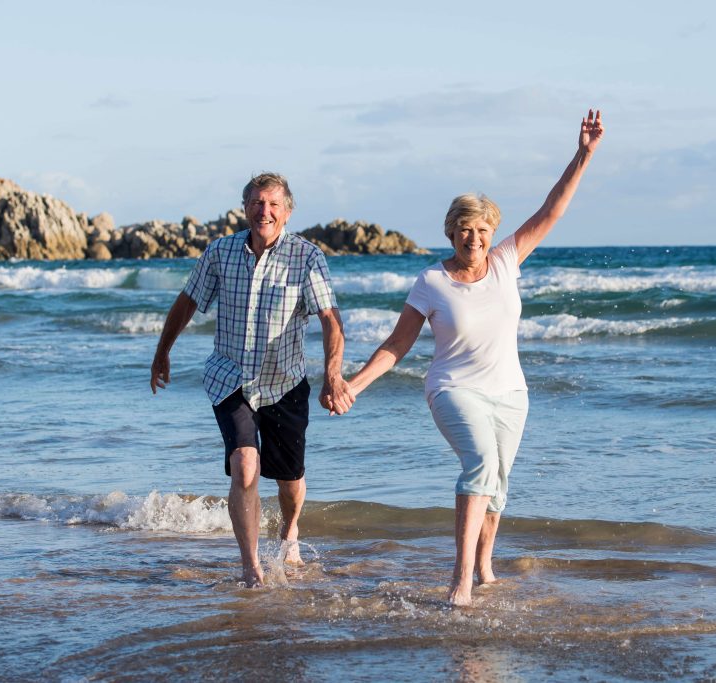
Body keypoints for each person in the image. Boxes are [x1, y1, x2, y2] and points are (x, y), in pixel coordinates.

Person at [347, 109, 604, 606]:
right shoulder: (432, 282)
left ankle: (485, 566)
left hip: (510, 393)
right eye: (466, 229)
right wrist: (354, 386)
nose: (476, 239)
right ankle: (460, 580)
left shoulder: (507, 261)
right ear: (451, 231)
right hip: (453, 389)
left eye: (483, 230)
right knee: (481, 464)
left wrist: (583, 154)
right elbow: (398, 344)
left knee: (498, 484)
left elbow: (551, 211)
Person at [150, 172, 354, 588]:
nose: (265, 211)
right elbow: (188, 301)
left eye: (274, 204)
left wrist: (333, 373)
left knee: (290, 481)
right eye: (258, 203)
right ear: (245, 208)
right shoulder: (220, 252)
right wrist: (162, 350)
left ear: (287, 211)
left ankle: (290, 531)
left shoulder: (307, 257)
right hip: (232, 378)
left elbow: (331, 320)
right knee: (244, 465)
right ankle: (251, 567)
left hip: (285, 382)